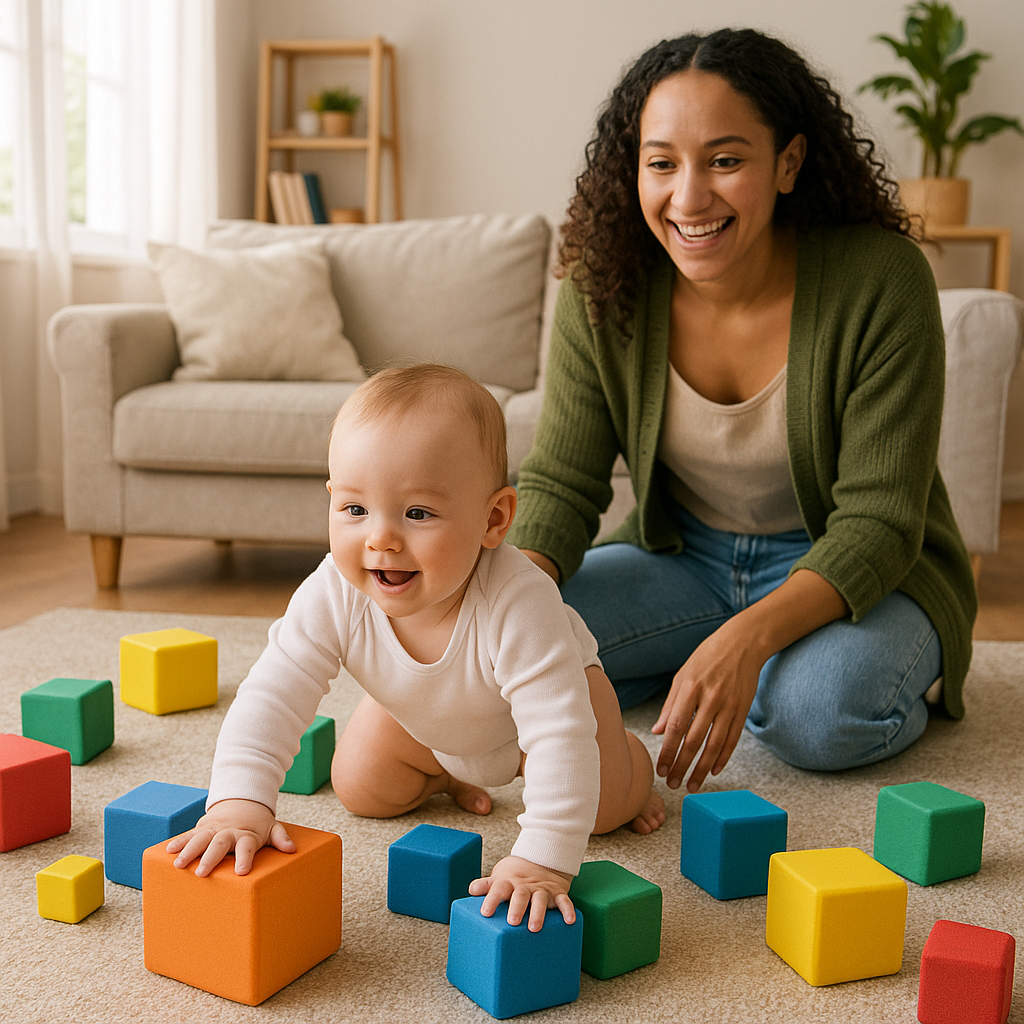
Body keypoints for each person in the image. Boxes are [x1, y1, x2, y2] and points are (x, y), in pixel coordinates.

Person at [507, 28, 976, 797]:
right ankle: (704, 654)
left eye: (725, 160)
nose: (688, 197)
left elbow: (882, 520)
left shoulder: (881, 281)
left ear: (787, 162)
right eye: (662, 164)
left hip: (855, 569)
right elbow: (562, 481)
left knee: (811, 716)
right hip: (684, 559)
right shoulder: (604, 287)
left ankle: (783, 664)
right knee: (516, 652)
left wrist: (749, 641)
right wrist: (504, 610)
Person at [167, 364, 663, 932]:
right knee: (360, 787)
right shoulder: (333, 591)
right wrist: (239, 800)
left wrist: (542, 861)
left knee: (597, 808)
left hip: (545, 723)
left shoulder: (521, 600)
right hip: (431, 720)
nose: (381, 538)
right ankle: (451, 772)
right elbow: (272, 694)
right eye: (355, 509)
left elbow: (558, 734)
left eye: (417, 513)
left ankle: (632, 761)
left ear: (493, 519)